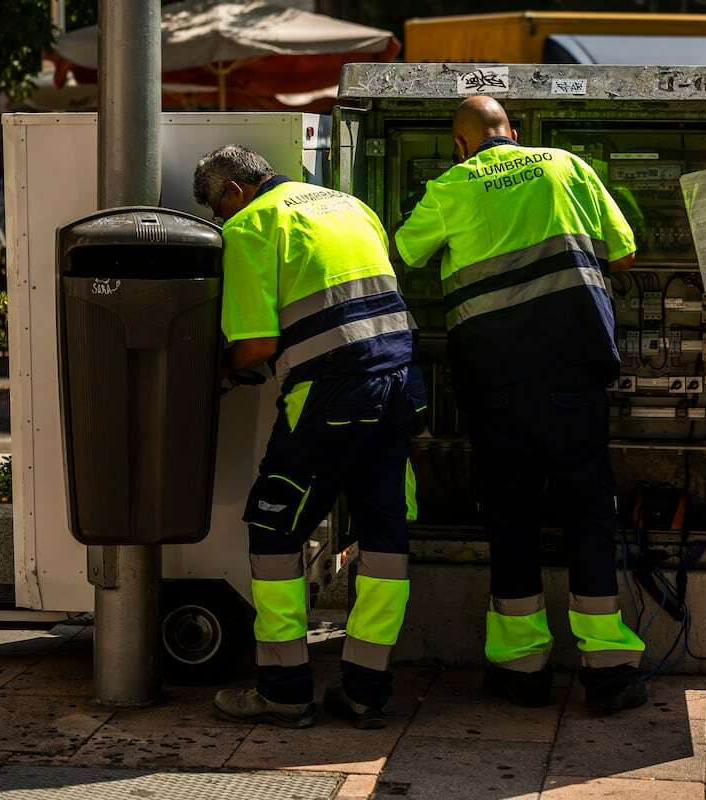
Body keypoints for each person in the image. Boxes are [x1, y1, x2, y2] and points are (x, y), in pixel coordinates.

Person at [394, 97, 647, 714]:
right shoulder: (567, 166)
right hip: (574, 377)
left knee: (511, 519)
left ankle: (523, 671)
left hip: (496, 386)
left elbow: (406, 254)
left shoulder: (450, 186)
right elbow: (626, 253)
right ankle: (608, 673)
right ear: (515, 132)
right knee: (589, 513)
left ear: (460, 144)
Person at [193, 145, 423, 730]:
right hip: (400, 387)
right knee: (384, 533)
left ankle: (284, 689)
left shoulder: (252, 225)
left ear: (235, 194)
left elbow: (256, 345)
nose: (223, 222)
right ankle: (368, 691)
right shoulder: (351, 204)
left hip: (331, 395)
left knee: (274, 528)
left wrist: (215, 371)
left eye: (219, 210)